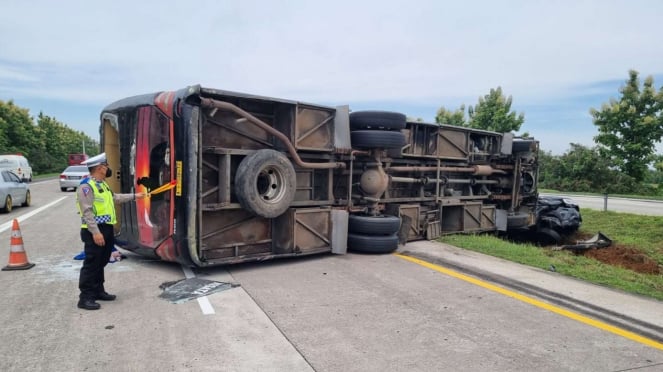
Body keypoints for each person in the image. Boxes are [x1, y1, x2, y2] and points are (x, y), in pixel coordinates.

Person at [76, 153, 147, 310]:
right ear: (100, 168)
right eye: (106, 166)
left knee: (102, 261)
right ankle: (85, 297)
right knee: (92, 263)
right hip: (94, 230)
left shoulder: (102, 184)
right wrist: (95, 232)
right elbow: (87, 212)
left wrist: (136, 196)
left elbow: (116, 198)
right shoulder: (86, 187)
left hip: (107, 228)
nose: (108, 168)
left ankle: (98, 291)